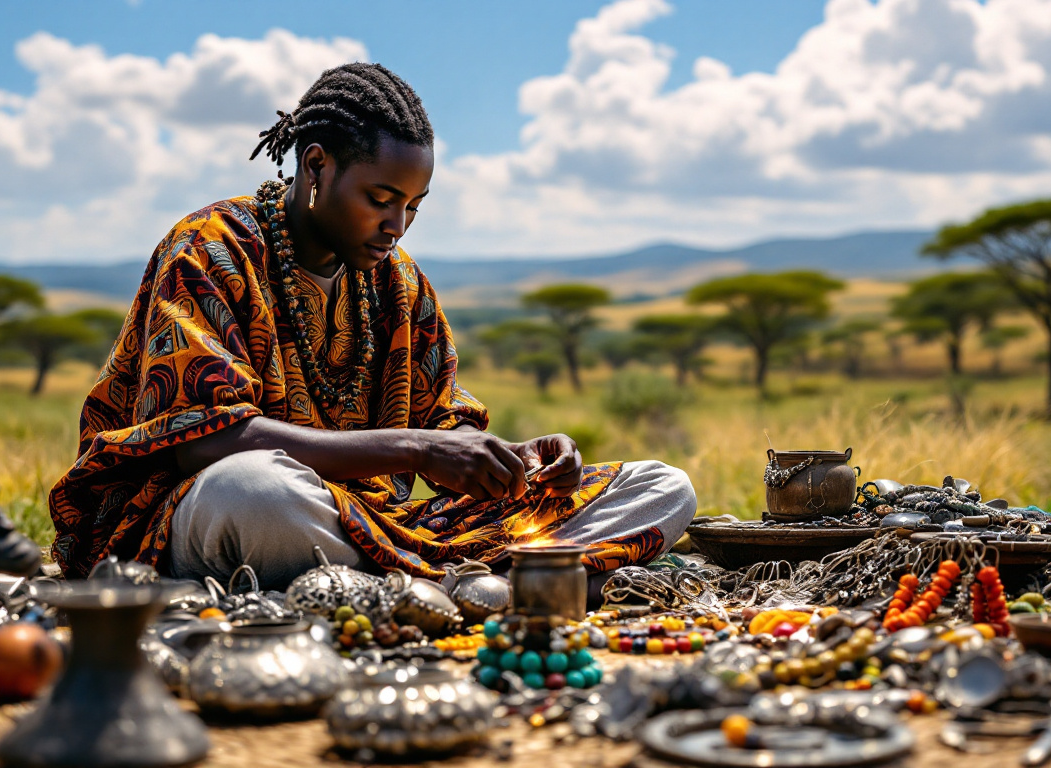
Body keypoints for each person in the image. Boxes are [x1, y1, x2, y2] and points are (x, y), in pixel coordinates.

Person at [49, 63, 696, 589]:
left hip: (377, 523)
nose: (398, 225)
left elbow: (444, 429)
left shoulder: (399, 282)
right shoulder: (211, 249)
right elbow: (204, 441)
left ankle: (404, 581)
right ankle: (463, 581)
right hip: (198, 517)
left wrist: (517, 463)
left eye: (413, 206)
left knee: (662, 487)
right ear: (316, 166)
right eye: (380, 200)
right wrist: (413, 449)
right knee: (256, 492)